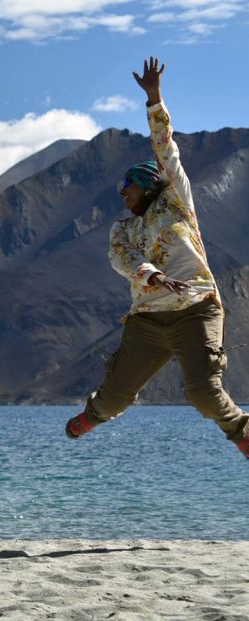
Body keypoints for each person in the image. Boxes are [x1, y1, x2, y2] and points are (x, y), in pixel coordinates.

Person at [66, 57, 249, 461]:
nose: (121, 195)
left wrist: (154, 98)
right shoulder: (122, 230)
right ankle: (93, 413)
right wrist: (152, 275)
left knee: (203, 394)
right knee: (114, 400)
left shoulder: (177, 202)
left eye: (126, 187)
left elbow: (166, 149)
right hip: (147, 319)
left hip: (196, 310)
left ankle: (243, 433)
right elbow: (122, 258)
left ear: (146, 183)